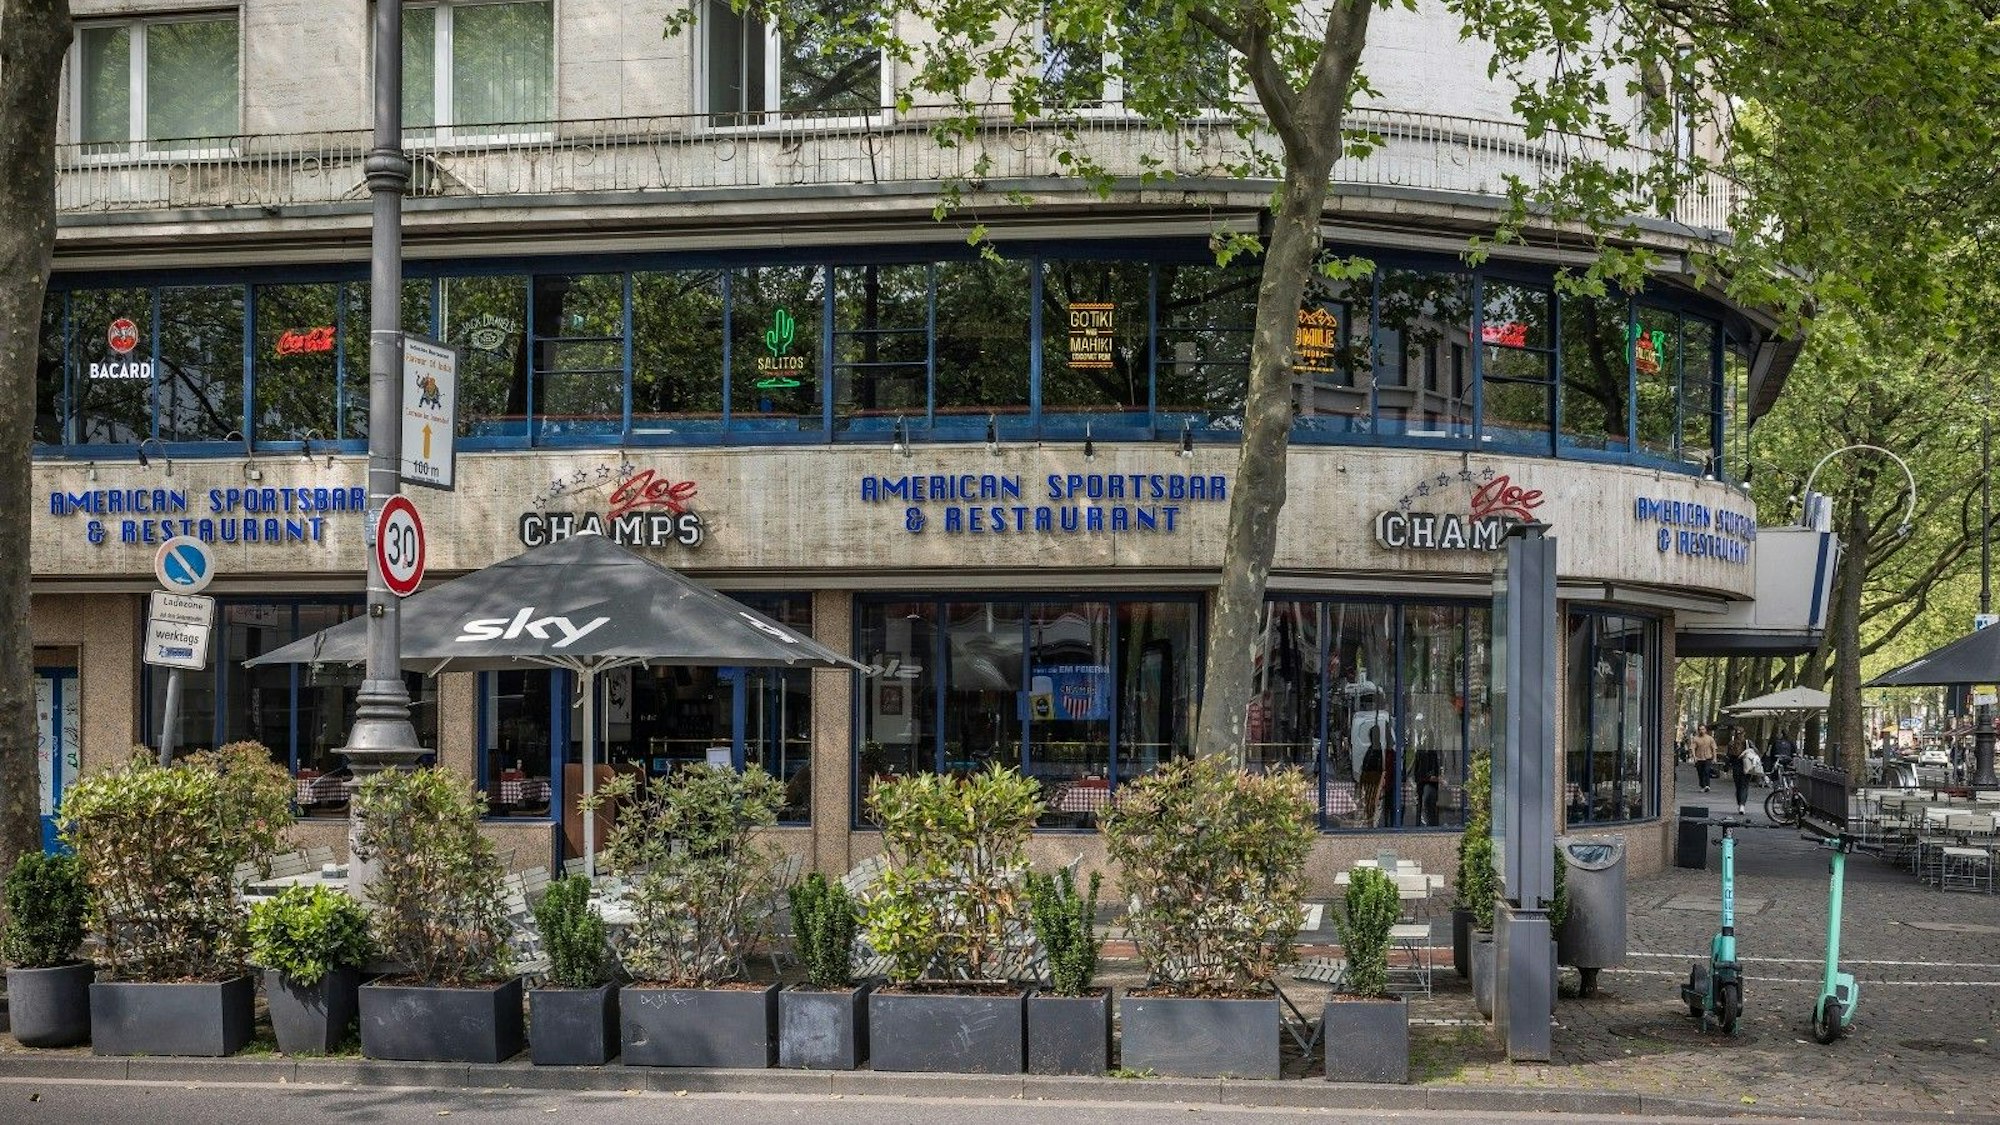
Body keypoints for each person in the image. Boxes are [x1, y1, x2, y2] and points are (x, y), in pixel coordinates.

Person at [1413, 738, 1442, 827]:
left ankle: (1429, 824)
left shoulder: (1432, 753)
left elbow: (1435, 769)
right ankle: (1424, 824)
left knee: (1428, 803)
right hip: (1425, 782)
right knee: (1425, 803)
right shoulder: (1421, 753)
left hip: (1428, 782)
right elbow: (1417, 770)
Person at [1726, 729, 1752, 815]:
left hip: (1736, 767)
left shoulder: (1731, 743)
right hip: (1746, 766)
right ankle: (1742, 805)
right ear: (1744, 733)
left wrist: (1726, 767)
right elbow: (1756, 751)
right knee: (1744, 786)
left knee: (1738, 786)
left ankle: (1739, 803)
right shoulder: (1748, 742)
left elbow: (1728, 756)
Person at [1689, 724, 1718, 792]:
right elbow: (1693, 748)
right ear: (1698, 730)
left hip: (1708, 757)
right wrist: (1694, 757)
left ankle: (1707, 785)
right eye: (1700, 729)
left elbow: (1714, 748)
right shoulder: (1695, 739)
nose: (1701, 731)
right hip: (1699, 758)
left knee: (1706, 771)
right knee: (1700, 773)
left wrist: (1714, 758)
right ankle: (1703, 786)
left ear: (1705, 730)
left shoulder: (1710, 738)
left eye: (1703, 729)